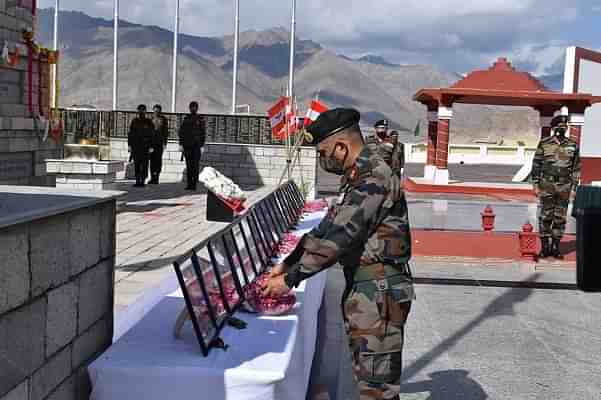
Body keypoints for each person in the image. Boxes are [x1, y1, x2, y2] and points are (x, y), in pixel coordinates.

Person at [263, 108, 414, 400]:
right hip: (368, 288)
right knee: (367, 378)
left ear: (342, 147)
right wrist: (288, 262)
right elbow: (329, 225)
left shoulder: (374, 177)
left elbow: (340, 238)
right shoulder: (357, 174)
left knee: (377, 388)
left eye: (324, 152)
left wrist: (291, 279)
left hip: (379, 293)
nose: (323, 159)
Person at [531, 115, 581, 259]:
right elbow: (536, 165)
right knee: (545, 216)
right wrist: (535, 184)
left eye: (565, 126)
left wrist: (574, 188)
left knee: (560, 217)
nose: (562, 128)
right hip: (547, 184)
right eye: (560, 126)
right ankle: (545, 247)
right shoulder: (544, 143)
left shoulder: (573, 145)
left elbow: (576, 168)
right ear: (554, 127)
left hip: (564, 186)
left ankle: (556, 247)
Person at [178, 101, 206, 191]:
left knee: (195, 166)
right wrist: (181, 144)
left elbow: (203, 133)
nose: (193, 109)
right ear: (189, 108)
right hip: (187, 146)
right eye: (192, 107)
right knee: (189, 166)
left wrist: (202, 145)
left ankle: (194, 184)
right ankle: (189, 184)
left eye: (195, 107)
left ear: (197, 108)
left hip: (196, 146)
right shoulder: (186, 119)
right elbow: (181, 132)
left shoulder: (200, 119)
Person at [128, 104, 154, 187]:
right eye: (140, 110)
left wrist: (151, 146)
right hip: (136, 146)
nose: (141, 111)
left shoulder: (148, 122)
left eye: (143, 110)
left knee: (144, 164)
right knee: (137, 164)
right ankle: (137, 180)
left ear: (145, 111)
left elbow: (152, 135)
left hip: (145, 146)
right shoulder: (134, 121)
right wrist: (129, 145)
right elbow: (130, 134)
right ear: (137, 111)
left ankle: (142, 180)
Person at [149, 104, 169, 184]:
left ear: (160, 111)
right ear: (153, 110)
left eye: (158, 110)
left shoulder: (163, 119)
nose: (156, 112)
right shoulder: (150, 119)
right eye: (155, 110)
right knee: (152, 161)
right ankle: (152, 177)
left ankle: (156, 177)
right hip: (151, 144)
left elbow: (165, 132)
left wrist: (165, 143)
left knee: (158, 161)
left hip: (159, 143)